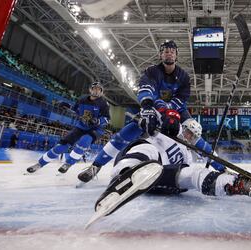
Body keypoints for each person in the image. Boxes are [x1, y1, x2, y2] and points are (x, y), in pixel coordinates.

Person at [78, 40, 224, 183]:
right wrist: (149, 109)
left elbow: (182, 98)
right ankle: (95, 166)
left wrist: (169, 112)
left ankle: (221, 168)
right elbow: (146, 90)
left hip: (176, 110)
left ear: (176, 55)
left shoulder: (184, 76)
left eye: (172, 52)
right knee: (126, 133)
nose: (169, 54)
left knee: (194, 134)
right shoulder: (152, 71)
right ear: (161, 55)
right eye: (166, 51)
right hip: (153, 107)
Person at [85, 119, 251, 227]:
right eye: (187, 131)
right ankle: (125, 175)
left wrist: (221, 169)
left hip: (158, 178)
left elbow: (204, 156)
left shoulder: (188, 155)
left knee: (193, 173)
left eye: (192, 135)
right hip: (139, 162)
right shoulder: (166, 131)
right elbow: (153, 122)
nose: (188, 136)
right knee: (148, 149)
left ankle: (241, 184)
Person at [26, 82, 110, 173]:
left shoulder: (103, 103)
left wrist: (97, 121)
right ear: (90, 89)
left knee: (83, 142)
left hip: (95, 129)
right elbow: (75, 109)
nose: (96, 91)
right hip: (81, 126)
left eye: (99, 89)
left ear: (101, 92)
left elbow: (107, 119)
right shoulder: (82, 99)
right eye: (94, 88)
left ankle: (68, 163)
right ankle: (40, 163)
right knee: (61, 146)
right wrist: (67, 105)